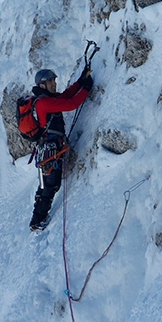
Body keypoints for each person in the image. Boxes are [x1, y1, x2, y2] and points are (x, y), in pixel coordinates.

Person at [29, 66, 93, 231]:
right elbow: (71, 104)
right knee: (51, 185)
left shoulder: (46, 99)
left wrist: (80, 81)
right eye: (50, 81)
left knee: (47, 184)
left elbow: (65, 96)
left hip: (50, 148)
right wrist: (86, 88)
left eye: (54, 80)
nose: (54, 83)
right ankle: (37, 221)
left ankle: (38, 213)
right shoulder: (44, 102)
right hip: (51, 149)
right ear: (42, 85)